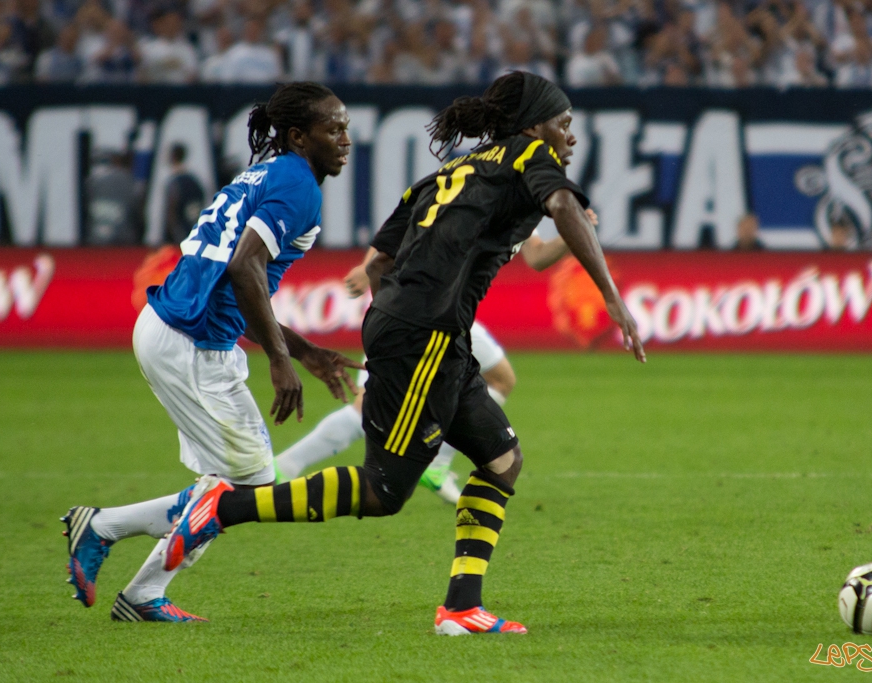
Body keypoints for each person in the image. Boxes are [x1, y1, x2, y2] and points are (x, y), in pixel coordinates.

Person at [161, 71, 645, 635]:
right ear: (535, 127)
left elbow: (381, 260)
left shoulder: (449, 173)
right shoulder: (529, 155)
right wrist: (612, 296)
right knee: (384, 490)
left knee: (502, 460)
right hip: (425, 334)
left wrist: (407, 309)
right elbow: (563, 203)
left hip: (429, 332)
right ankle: (223, 508)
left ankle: (461, 609)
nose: (571, 136)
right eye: (564, 123)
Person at [61, 82, 360, 622]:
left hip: (173, 328)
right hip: (192, 342)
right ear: (299, 136)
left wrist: (302, 350)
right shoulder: (298, 186)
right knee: (251, 485)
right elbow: (244, 268)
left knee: (227, 484)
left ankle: (127, 566)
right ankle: (117, 550)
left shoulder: (266, 174)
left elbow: (240, 287)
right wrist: (280, 360)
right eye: (333, 128)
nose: (345, 139)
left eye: (346, 127)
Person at [273, 220, 585, 502]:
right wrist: (369, 266)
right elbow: (404, 220)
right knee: (369, 404)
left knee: (501, 378)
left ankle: (436, 466)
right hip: (413, 310)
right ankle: (287, 465)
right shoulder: (478, 192)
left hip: (450, 314)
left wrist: (574, 228)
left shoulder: (519, 204)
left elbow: (537, 256)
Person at [163, 144, 206, 244]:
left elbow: (172, 210)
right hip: (192, 232)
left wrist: (172, 233)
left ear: (173, 157)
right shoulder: (194, 182)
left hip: (178, 236)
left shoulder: (175, 183)